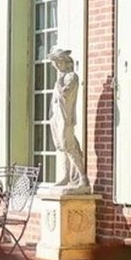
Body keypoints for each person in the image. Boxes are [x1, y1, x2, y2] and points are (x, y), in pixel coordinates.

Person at [47, 47, 89, 193]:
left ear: (66, 62)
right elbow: (54, 101)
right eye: (55, 63)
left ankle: (82, 179)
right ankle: (66, 177)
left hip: (66, 118)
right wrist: (52, 117)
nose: (57, 66)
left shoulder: (71, 77)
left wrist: (59, 82)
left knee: (69, 146)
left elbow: (64, 93)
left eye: (59, 62)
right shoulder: (61, 78)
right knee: (61, 147)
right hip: (57, 117)